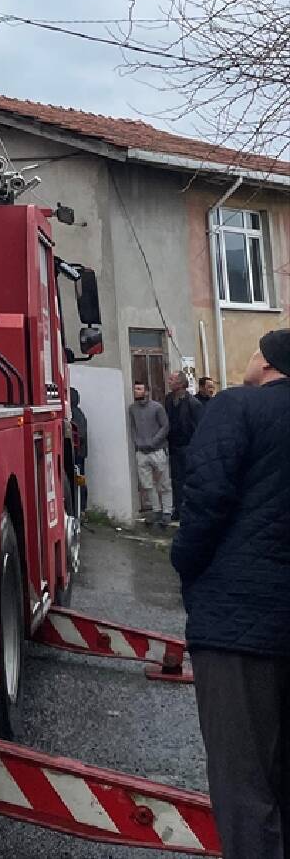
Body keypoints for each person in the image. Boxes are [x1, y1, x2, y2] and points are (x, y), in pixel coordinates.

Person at [171, 328, 290, 859]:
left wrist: (186, 566)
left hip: (240, 627)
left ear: (265, 362)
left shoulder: (237, 408)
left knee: (244, 786)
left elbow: (206, 498)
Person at [128, 379, 172, 526]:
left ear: (146, 391)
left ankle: (167, 511)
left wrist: (154, 441)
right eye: (135, 389)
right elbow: (133, 428)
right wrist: (137, 442)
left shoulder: (157, 408)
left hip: (158, 450)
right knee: (147, 484)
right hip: (141, 451)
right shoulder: (132, 409)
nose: (136, 391)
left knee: (164, 483)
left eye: (140, 389)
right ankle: (156, 510)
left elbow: (165, 426)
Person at [165, 371, 203, 523]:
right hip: (173, 446)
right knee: (176, 479)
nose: (169, 381)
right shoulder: (168, 400)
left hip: (188, 446)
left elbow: (199, 427)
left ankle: (190, 510)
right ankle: (178, 509)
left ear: (180, 383)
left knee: (189, 479)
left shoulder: (193, 403)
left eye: (172, 379)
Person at [70, 386, 89, 513]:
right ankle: (81, 507)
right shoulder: (78, 413)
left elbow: (80, 434)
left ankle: (81, 507)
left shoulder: (75, 414)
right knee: (80, 480)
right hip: (79, 454)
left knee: (79, 480)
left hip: (78, 454)